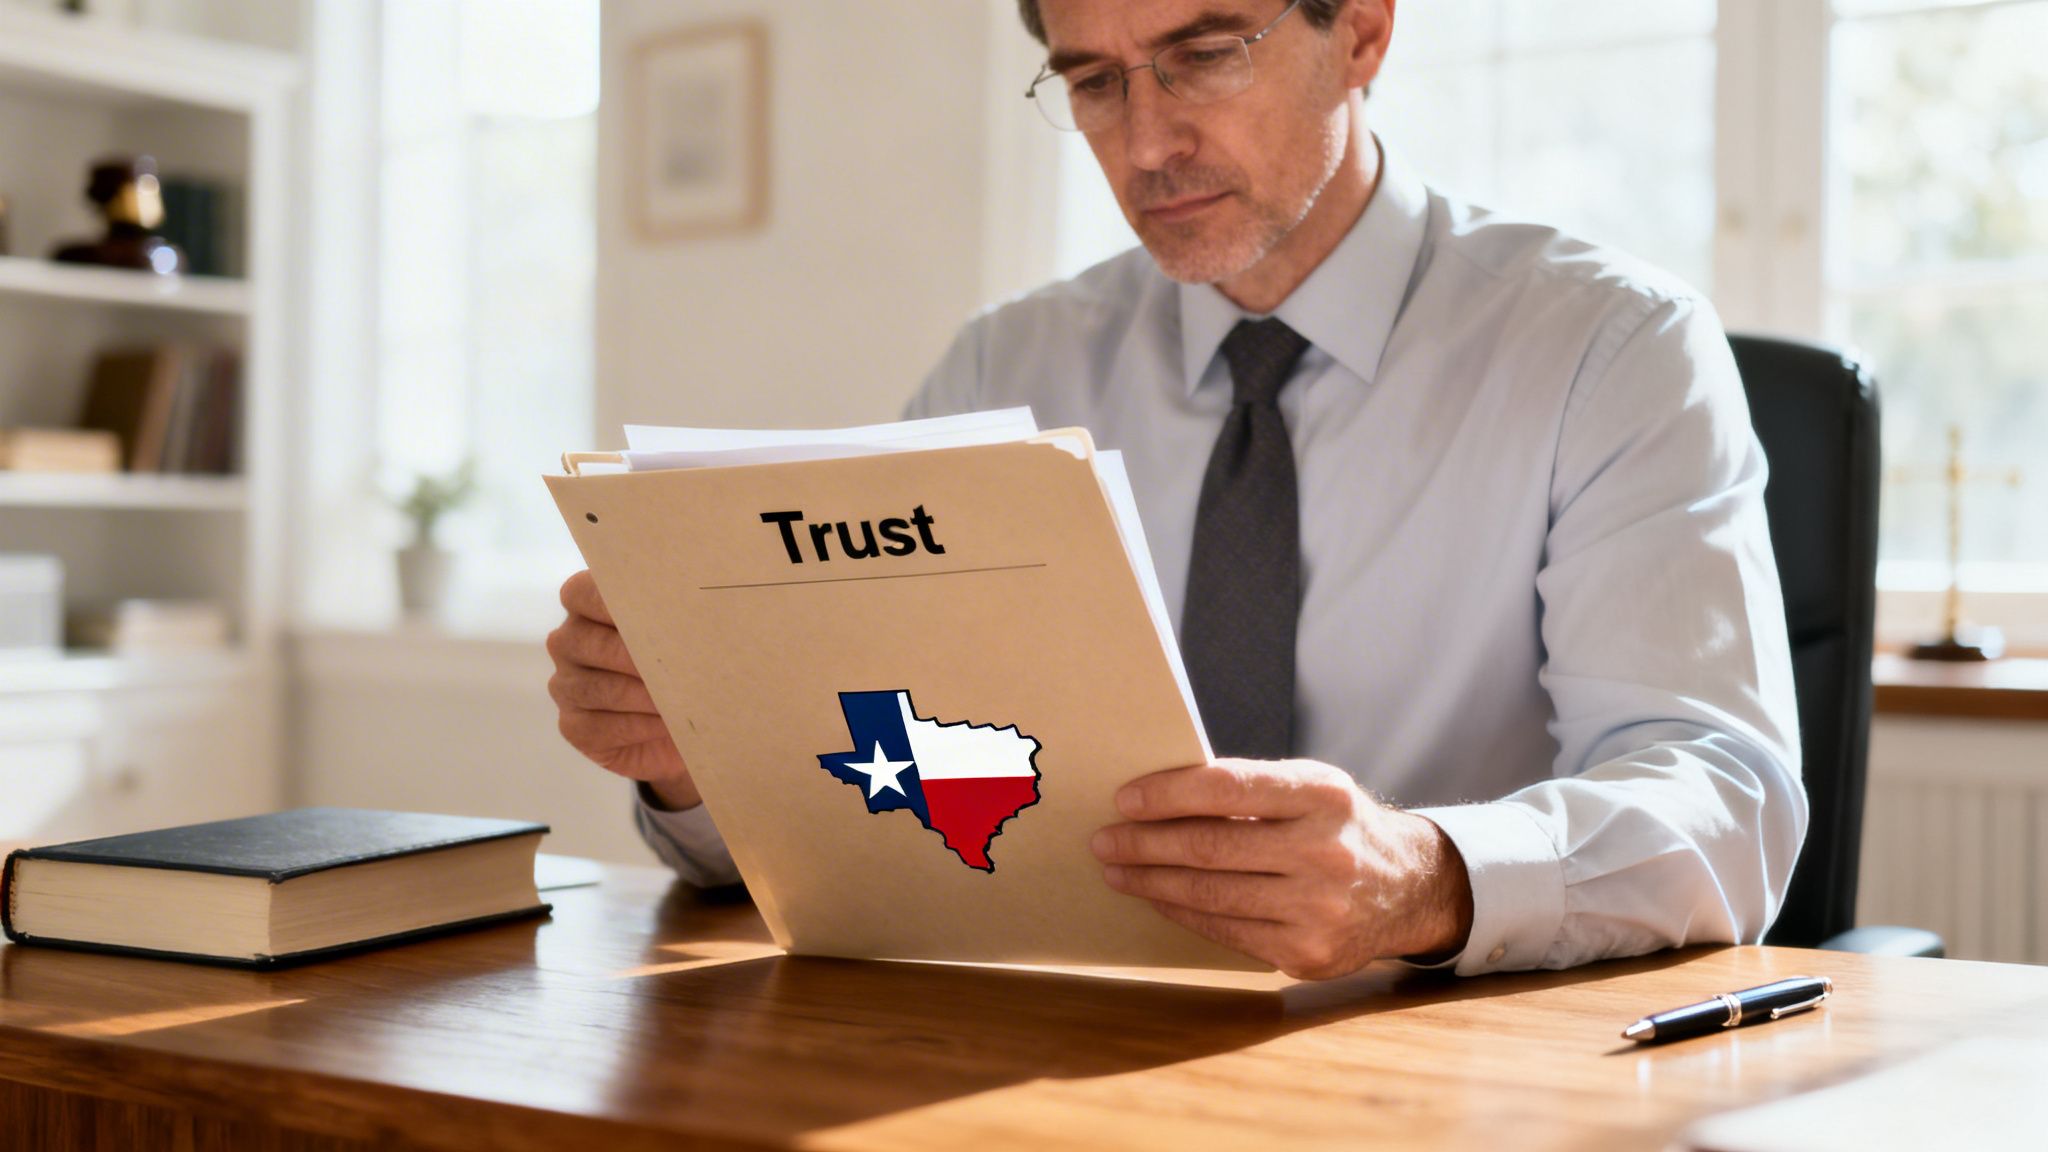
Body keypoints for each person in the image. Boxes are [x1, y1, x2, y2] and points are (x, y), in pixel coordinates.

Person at [547, 0, 1804, 979]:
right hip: (1053, 1039)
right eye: (1093, 80)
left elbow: (1721, 797)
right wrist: (699, 761)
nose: (1144, 142)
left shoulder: (1605, 348)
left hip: (1438, 1056)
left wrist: (1425, 877)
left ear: (1359, 30)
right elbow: (887, 782)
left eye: (1203, 52)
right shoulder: (1007, 368)